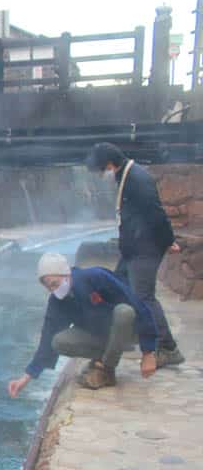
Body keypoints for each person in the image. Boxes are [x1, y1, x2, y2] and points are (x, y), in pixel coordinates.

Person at [85, 142, 183, 367]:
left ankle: (168, 348)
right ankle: (120, 339)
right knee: (116, 288)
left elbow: (155, 214)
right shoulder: (124, 176)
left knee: (143, 298)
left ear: (110, 165)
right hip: (132, 249)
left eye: (101, 172)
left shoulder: (138, 179)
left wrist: (168, 241)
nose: (102, 176)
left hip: (145, 249)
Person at [8, 253, 158, 397]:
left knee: (124, 312)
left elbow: (138, 305)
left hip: (127, 331)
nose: (54, 290)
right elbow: (47, 337)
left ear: (66, 274)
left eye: (55, 284)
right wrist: (26, 378)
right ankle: (104, 360)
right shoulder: (57, 301)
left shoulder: (95, 277)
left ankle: (106, 369)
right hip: (100, 335)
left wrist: (148, 352)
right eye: (49, 288)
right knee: (58, 341)